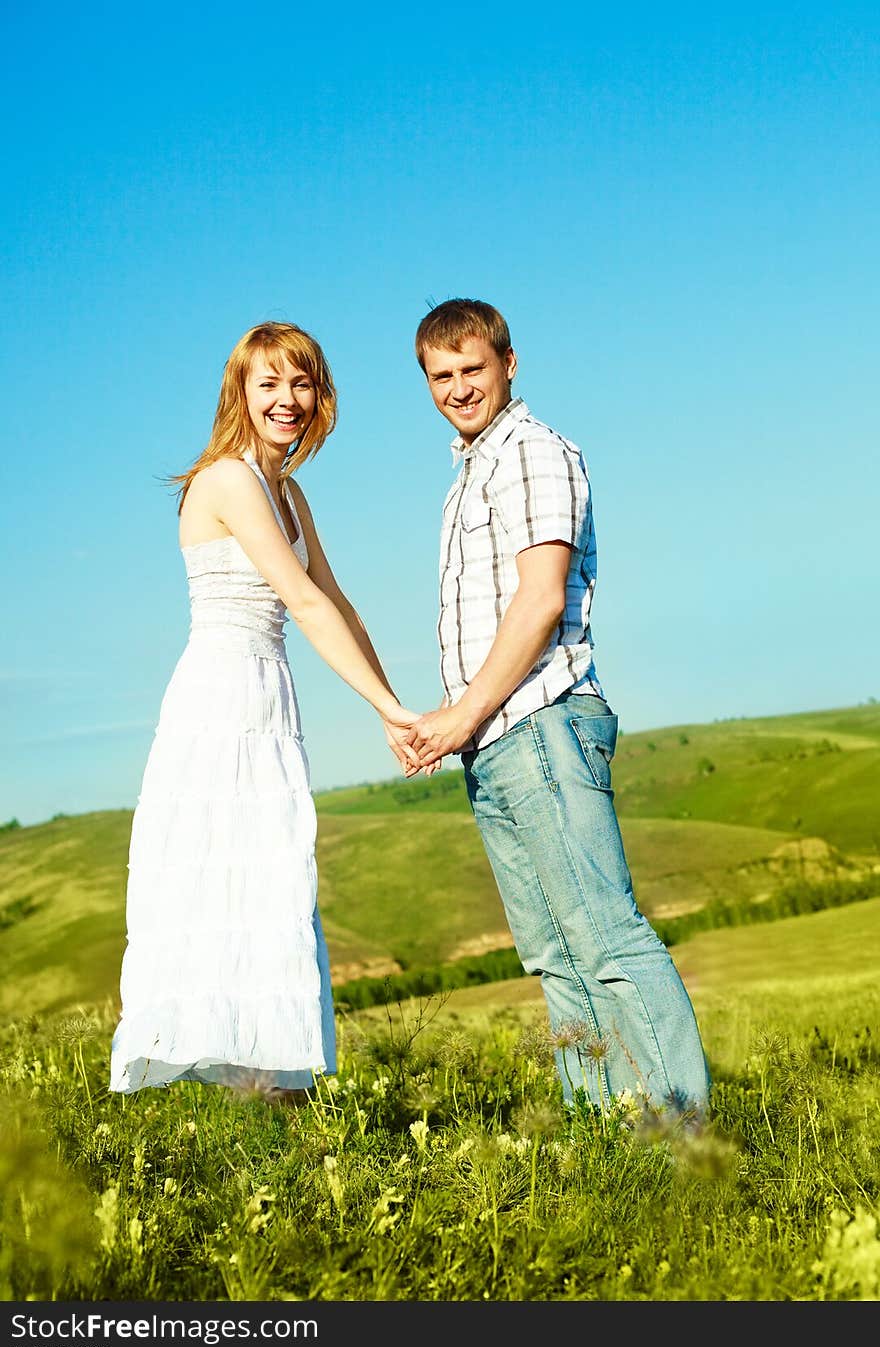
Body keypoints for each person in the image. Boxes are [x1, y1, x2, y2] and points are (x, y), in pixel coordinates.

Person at [405, 298, 712, 1121]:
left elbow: (541, 603)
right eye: (442, 375)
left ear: (509, 362)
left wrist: (461, 716)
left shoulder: (532, 453)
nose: (460, 387)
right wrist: (458, 722)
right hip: (497, 740)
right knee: (555, 958)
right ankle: (606, 1141)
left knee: (608, 940)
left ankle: (687, 1144)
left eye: (474, 368)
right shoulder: (470, 472)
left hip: (542, 724)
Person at [109, 320, 423, 1097]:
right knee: (223, 878)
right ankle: (231, 1078)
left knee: (276, 876)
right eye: (269, 384)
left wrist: (400, 711)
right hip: (219, 697)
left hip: (267, 695)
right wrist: (385, 708)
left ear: (320, 396)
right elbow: (304, 603)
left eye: (301, 383)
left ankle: (274, 1077)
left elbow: (340, 604)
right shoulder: (227, 479)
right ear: (240, 394)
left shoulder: (288, 491)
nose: (287, 399)